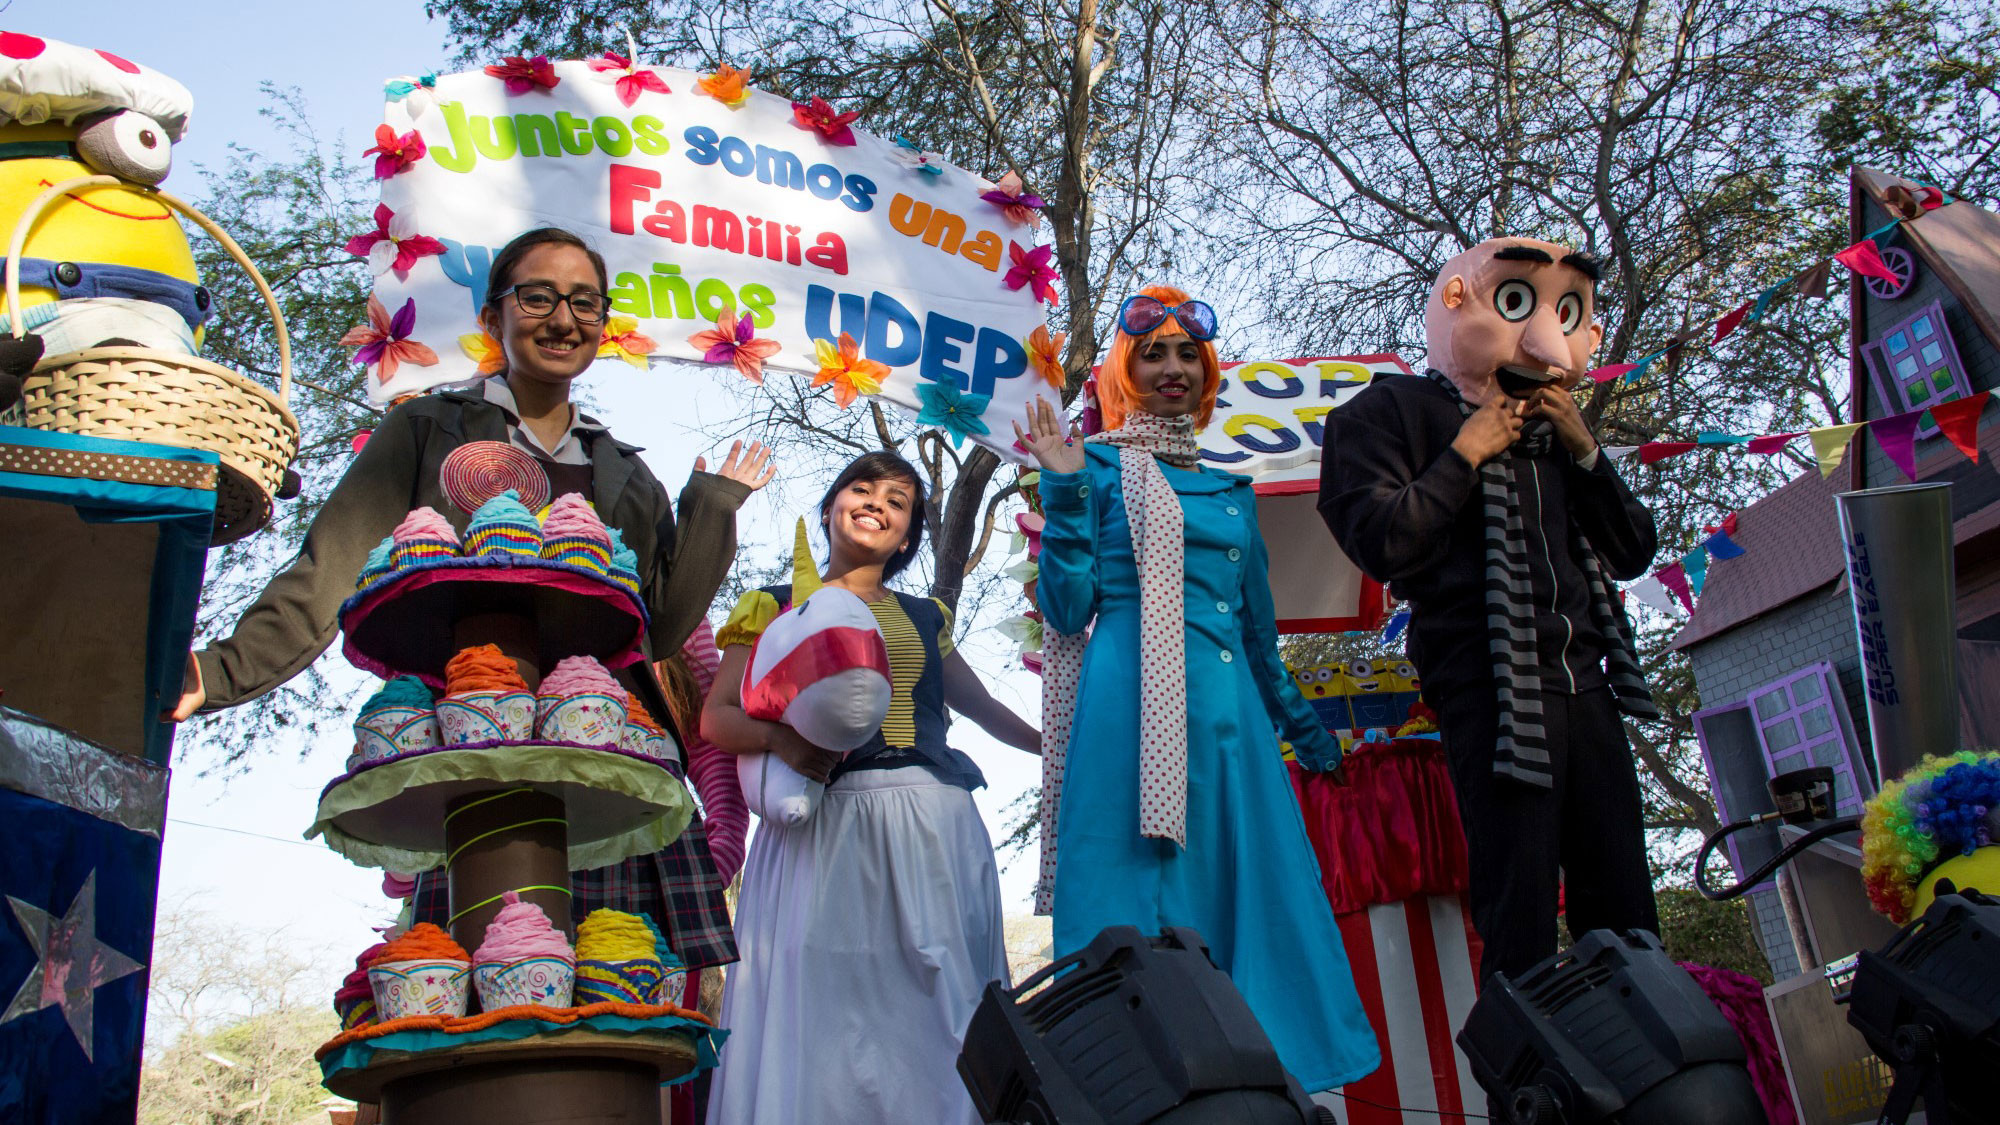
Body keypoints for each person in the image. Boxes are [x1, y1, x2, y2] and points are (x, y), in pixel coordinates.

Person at [168, 225, 774, 976]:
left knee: (617, 1001)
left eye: (584, 303)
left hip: (601, 767)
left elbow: (660, 630)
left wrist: (712, 508)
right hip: (474, 750)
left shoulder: (625, 474)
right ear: (493, 317)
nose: (563, 319)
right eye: (539, 297)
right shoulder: (427, 430)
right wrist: (220, 672)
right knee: (488, 987)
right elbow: (329, 571)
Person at [1016, 285, 1381, 1094]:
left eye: (1189, 353)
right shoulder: (1092, 464)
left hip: (1228, 727)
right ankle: (1131, 1085)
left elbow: (1258, 641)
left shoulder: (1232, 492)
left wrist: (1313, 740)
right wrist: (1064, 491)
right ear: (1126, 370)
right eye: (1154, 354)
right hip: (1125, 715)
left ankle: (1255, 1087)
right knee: (1126, 900)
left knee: (1245, 898)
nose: (1173, 367)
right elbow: (1068, 610)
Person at [1318, 237, 1661, 984]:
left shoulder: (1555, 434)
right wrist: (1463, 455)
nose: (1544, 339)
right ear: (1459, 304)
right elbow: (1384, 542)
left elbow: (1633, 548)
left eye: (1566, 313)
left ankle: (1644, 1038)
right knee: (1519, 911)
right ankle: (1528, 1054)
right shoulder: (1388, 413)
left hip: (1587, 683)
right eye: (1516, 302)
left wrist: (1586, 451)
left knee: (1626, 906)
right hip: (1490, 688)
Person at [701, 450, 1041, 1125]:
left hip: (933, 829)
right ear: (832, 505)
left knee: (946, 1006)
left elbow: (981, 707)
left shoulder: (925, 616)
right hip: (822, 828)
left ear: (909, 535)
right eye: (862, 488)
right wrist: (783, 743)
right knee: (823, 1005)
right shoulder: (772, 606)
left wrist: (1059, 745)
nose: (876, 505)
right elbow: (717, 717)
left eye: (897, 501)